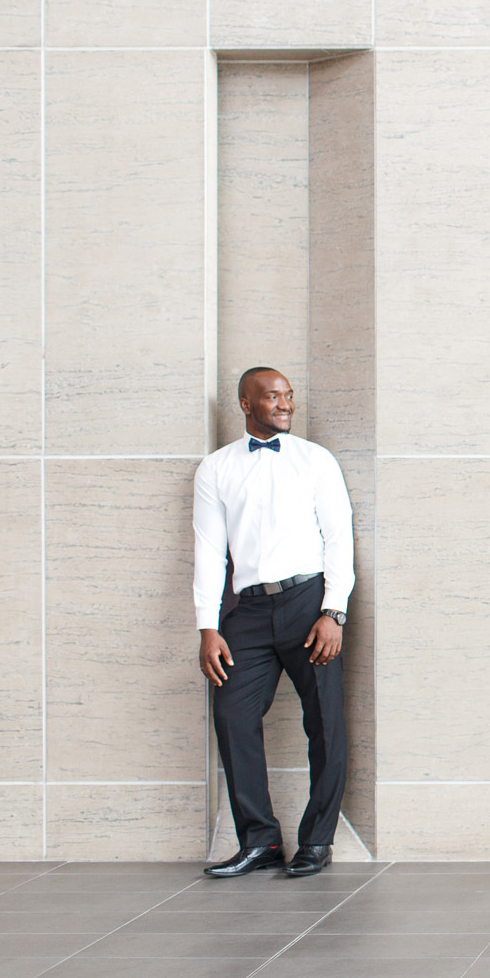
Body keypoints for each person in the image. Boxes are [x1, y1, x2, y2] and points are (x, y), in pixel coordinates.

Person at [193, 367, 354, 878]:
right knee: (232, 715)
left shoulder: (315, 460)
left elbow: (339, 539)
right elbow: (209, 553)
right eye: (271, 396)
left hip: (310, 603)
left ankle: (317, 841)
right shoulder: (215, 469)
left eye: (288, 396)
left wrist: (334, 611)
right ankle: (260, 841)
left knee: (324, 723)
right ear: (246, 404)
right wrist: (208, 626)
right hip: (249, 612)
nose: (285, 404)